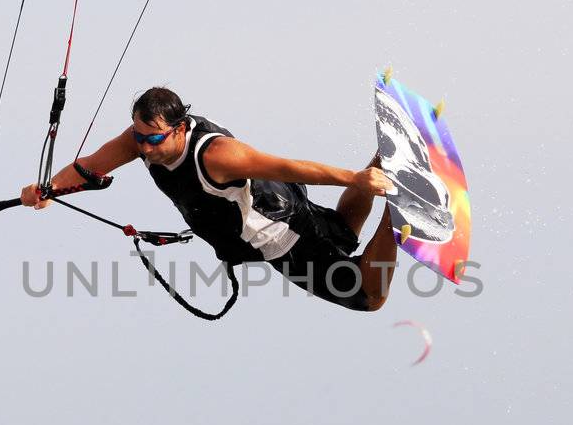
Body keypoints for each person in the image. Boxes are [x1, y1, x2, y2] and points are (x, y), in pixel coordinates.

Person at [22, 87, 398, 311]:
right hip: (279, 215)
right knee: (345, 231)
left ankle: (397, 213)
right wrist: (50, 190)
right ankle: (387, 159)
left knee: (367, 294)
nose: (144, 147)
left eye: (153, 139)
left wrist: (353, 177)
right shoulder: (141, 138)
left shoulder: (216, 155)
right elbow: (89, 167)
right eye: (138, 137)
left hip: (280, 235)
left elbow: (287, 167)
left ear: (180, 128)